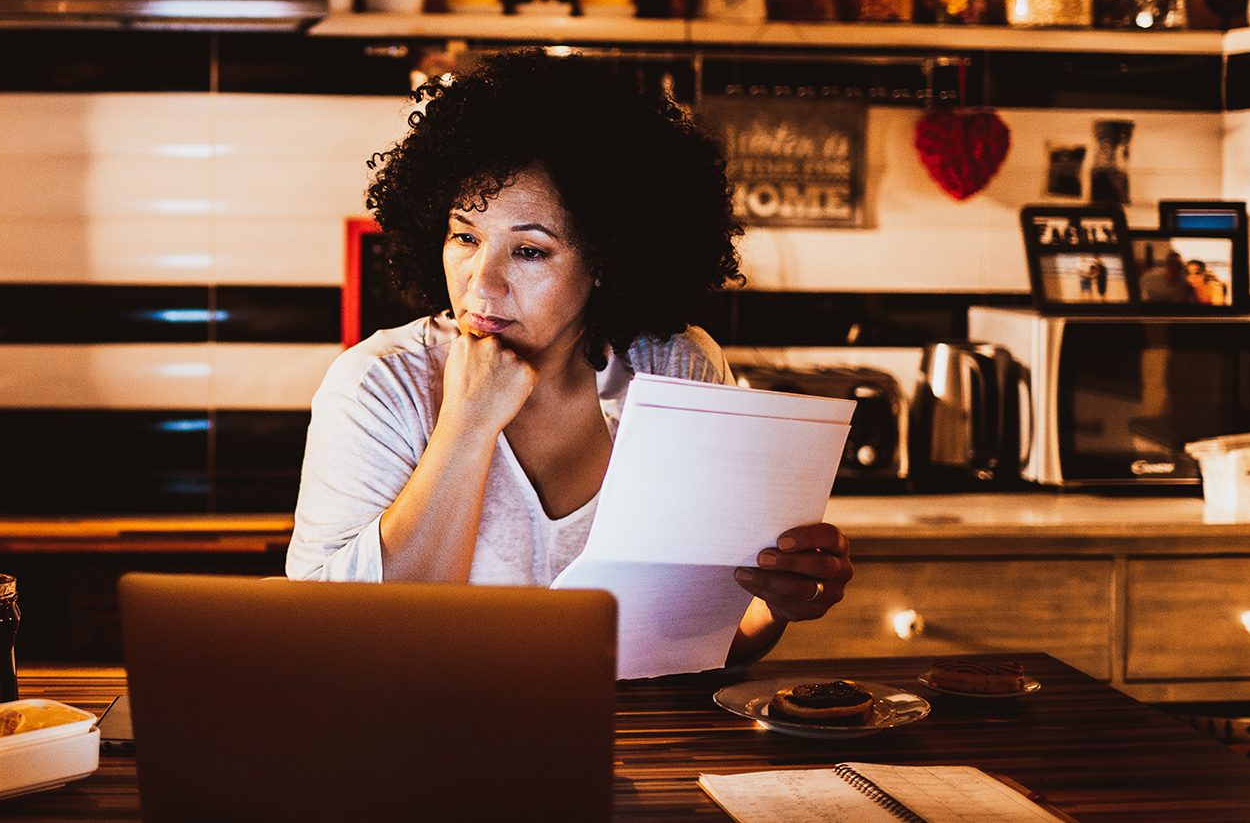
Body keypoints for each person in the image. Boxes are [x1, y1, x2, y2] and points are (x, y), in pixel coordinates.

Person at [286, 51, 852, 666]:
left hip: (626, 743)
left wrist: (774, 602)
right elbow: (338, 642)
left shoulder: (672, 367)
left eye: (529, 251)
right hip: (423, 743)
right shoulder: (379, 385)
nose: (481, 284)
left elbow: (696, 647)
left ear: (607, 257)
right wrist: (466, 428)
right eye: (465, 237)